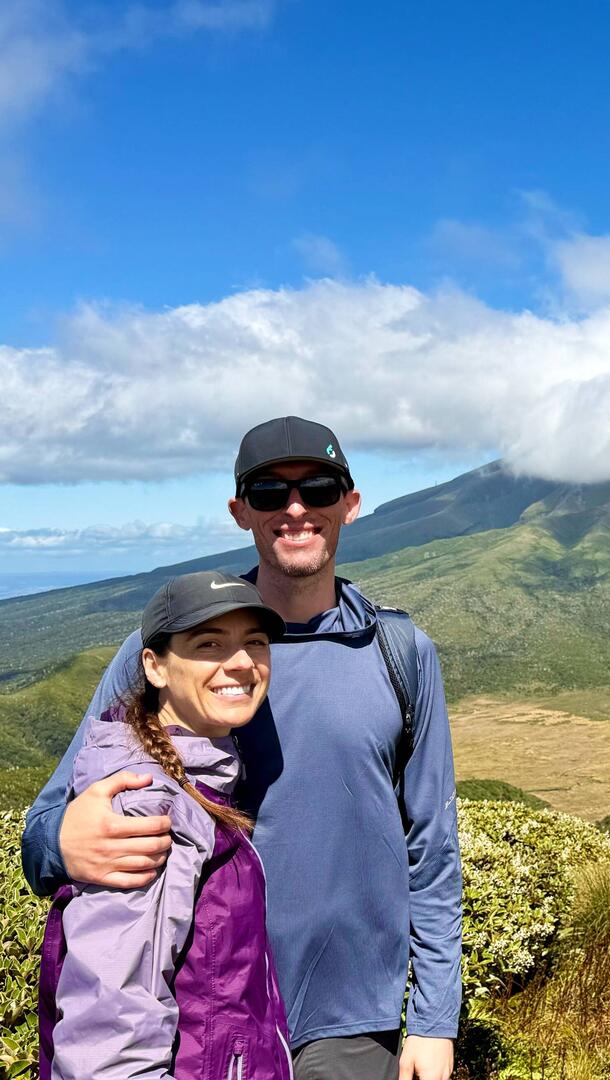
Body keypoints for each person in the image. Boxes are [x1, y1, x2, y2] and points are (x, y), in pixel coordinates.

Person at [24, 417, 461, 1080]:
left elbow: (431, 846)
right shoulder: (169, 648)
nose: (295, 509)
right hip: (202, 1015)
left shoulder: (400, 653)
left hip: (349, 1022)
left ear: (350, 503)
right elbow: (46, 823)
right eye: (268, 493)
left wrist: (433, 1021)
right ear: (239, 512)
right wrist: (60, 842)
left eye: (317, 488)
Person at [39, 572, 291, 1079]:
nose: (240, 662)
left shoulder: (198, 775)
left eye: (255, 643)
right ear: (154, 667)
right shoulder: (147, 804)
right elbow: (110, 1033)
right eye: (209, 644)